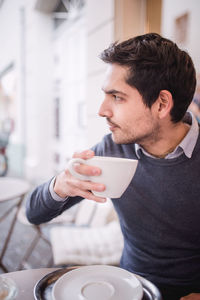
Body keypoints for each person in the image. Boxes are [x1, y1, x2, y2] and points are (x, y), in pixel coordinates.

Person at [26, 33, 200, 300]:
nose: (101, 110)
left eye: (117, 97)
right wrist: (59, 186)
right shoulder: (112, 149)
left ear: (162, 104)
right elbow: (34, 214)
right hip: (129, 287)